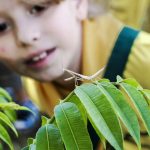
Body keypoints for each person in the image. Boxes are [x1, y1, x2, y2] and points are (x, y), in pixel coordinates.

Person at [0, 0, 150, 149]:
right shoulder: (33, 83)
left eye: (38, 8)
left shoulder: (143, 61)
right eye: (2, 27)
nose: (25, 37)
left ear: (79, 3)